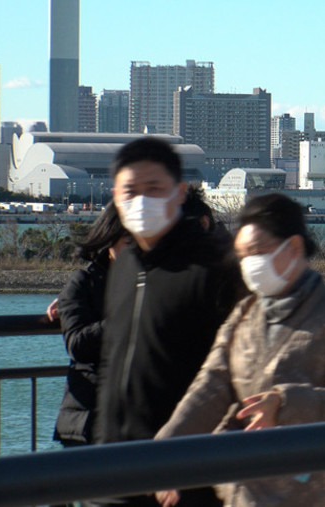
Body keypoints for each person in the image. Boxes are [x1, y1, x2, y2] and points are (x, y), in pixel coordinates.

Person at [154, 192, 325, 506]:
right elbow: (210, 386)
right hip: (248, 492)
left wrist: (285, 402)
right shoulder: (244, 317)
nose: (249, 264)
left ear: (293, 247)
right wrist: (166, 449)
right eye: (243, 255)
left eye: (257, 251)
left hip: (322, 496)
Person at [95, 137, 245, 506]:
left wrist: (198, 462)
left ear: (180, 193)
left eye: (154, 189)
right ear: (115, 195)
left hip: (187, 477)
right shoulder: (125, 266)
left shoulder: (216, 266)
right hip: (114, 470)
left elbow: (241, 369)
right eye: (130, 190)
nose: (141, 201)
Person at [51, 206, 129, 447]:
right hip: (89, 418)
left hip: (135, 419)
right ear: (109, 241)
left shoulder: (154, 285)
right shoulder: (82, 282)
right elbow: (77, 345)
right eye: (129, 241)